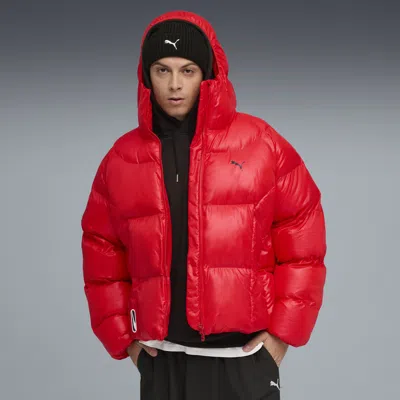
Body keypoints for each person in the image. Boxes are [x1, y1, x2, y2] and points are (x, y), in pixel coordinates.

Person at [81, 10, 327, 400]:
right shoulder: (122, 159)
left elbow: (303, 241)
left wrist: (283, 334)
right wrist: (124, 339)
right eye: (162, 70)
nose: (174, 84)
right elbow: (101, 253)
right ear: (146, 77)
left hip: (243, 361)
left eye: (188, 70)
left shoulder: (261, 145)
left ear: (208, 75)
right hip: (163, 362)